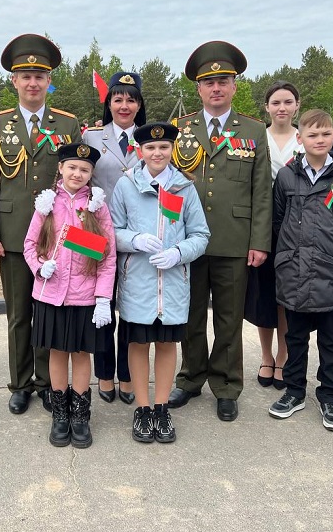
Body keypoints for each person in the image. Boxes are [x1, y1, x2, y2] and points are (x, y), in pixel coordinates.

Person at [0, 34, 83, 415]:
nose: (33, 83)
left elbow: (79, 180)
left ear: (49, 80)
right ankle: (21, 383)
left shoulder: (67, 124)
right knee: (19, 314)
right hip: (12, 235)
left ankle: (46, 381)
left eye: (40, 76)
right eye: (25, 76)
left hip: (55, 236)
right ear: (14, 81)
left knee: (49, 312)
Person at [168, 40, 272, 422]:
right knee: (190, 315)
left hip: (234, 240)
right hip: (188, 243)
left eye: (223, 81)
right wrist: (170, 237)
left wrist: (259, 241)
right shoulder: (180, 129)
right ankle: (191, 377)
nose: (216, 88)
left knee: (229, 319)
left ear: (234, 86)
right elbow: (169, 187)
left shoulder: (253, 130)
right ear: (198, 89)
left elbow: (262, 191)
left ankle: (227, 386)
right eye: (209, 82)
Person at [110, 123, 209, 443]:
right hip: (137, 282)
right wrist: (135, 239)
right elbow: (112, 231)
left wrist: (179, 253)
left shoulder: (184, 187)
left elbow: (201, 235)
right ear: (140, 151)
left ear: (172, 149)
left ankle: (161, 407)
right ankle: (142, 408)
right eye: (150, 148)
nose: (157, 153)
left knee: (167, 345)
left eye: (164, 147)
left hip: (173, 283)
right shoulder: (126, 185)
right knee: (138, 345)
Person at [267, 109, 333, 431]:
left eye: (325, 134)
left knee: (331, 340)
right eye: (312, 134)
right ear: (300, 138)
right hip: (294, 272)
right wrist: (286, 254)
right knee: (295, 337)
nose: (319, 140)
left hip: (330, 271)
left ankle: (330, 395)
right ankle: (294, 391)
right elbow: (278, 220)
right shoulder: (287, 176)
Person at [23, 142, 116, 448]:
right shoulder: (47, 203)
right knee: (57, 352)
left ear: (91, 174)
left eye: (85, 169)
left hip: (84, 296)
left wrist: (103, 297)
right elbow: (29, 244)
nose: (78, 173)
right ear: (61, 168)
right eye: (72, 167)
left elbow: (108, 256)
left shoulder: (97, 206)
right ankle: (60, 413)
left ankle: (80, 414)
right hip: (51, 294)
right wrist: (40, 267)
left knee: (81, 353)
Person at [82, 71, 148, 405]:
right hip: (95, 234)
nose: (124, 105)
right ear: (108, 103)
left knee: (133, 310)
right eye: (118, 99)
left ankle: (128, 376)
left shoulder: (149, 139)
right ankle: (105, 374)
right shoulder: (92, 137)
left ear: (139, 105)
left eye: (131, 100)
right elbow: (77, 181)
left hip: (137, 236)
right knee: (100, 308)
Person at [245, 81, 301, 390]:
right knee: (263, 295)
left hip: (296, 229)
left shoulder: (305, 139)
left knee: (287, 297)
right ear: (266, 107)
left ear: (297, 106)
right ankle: (266, 356)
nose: (282, 108)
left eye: (288, 102)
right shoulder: (257, 138)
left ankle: (284, 355)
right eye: (276, 102)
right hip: (262, 227)